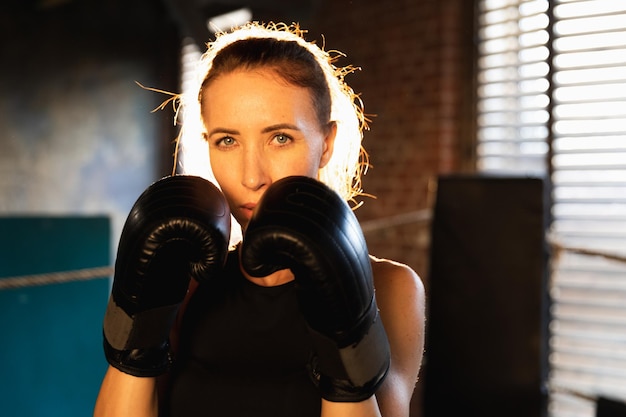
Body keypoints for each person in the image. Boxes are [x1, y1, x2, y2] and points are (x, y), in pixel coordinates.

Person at [94, 22, 425, 417]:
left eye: (280, 137)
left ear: (326, 143)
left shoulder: (390, 288)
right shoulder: (186, 285)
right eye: (227, 141)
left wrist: (346, 346)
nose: (252, 177)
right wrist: (136, 341)